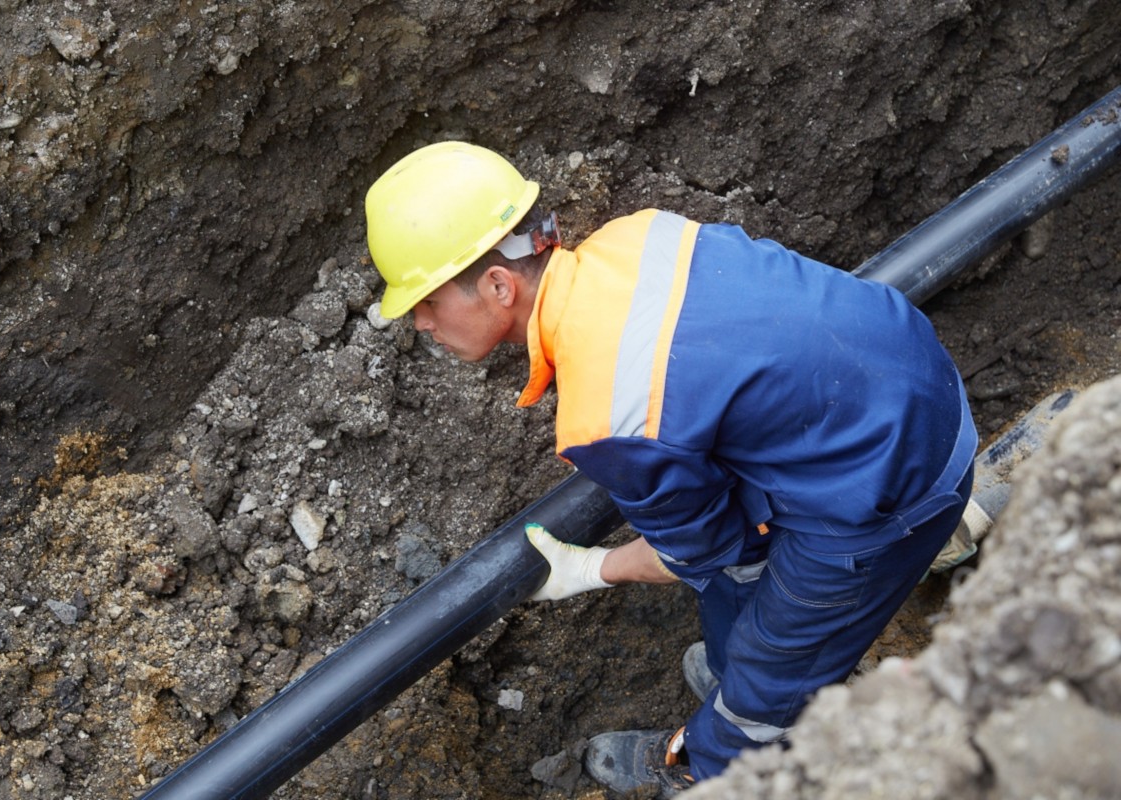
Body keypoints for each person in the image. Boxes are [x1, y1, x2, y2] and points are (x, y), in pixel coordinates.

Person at [364, 141, 977, 796]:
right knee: (741, 594)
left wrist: (591, 569)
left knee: (766, 681)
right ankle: (741, 674)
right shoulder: (636, 237)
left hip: (894, 490)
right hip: (911, 384)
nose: (422, 322)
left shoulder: (608, 413)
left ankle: (716, 763)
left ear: (497, 285)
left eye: (427, 301)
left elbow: (711, 552)